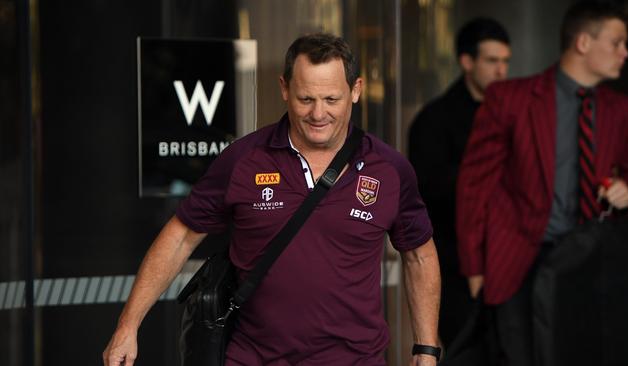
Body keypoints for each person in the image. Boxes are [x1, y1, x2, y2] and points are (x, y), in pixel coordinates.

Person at [103, 33, 442, 366]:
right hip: (253, 357)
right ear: (284, 89)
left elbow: (419, 256)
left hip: (355, 359)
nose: (318, 114)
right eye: (305, 99)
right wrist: (128, 326)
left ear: (356, 91)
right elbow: (179, 237)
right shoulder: (244, 159)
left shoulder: (389, 169)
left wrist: (426, 349)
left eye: (331, 100)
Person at [456, 1, 628, 365]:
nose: (626, 53)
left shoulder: (623, 110)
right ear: (583, 43)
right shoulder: (510, 99)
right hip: (519, 263)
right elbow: (473, 187)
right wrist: (475, 269)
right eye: (616, 42)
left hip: (589, 263)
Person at [408, 17, 510, 346]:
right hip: (454, 264)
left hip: (509, 257)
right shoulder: (434, 120)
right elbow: (426, 191)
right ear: (467, 62)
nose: (501, 71)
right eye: (492, 61)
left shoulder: (514, 115)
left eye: (506, 62)